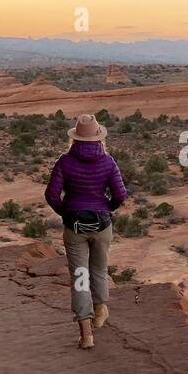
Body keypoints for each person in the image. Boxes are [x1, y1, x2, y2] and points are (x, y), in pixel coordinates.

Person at [44, 114, 128, 349]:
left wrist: (66, 212)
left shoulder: (64, 162)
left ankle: (86, 335)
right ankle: (101, 310)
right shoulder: (108, 161)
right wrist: (105, 210)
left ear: (74, 138)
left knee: (80, 277)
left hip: (74, 226)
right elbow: (120, 195)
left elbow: (51, 195)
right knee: (99, 271)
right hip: (102, 225)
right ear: (99, 138)